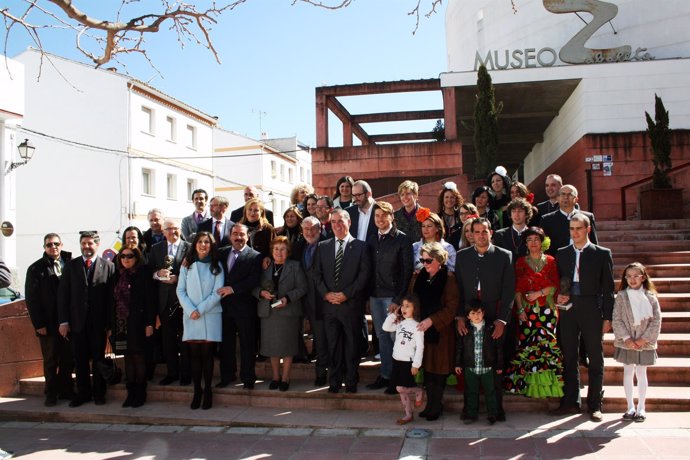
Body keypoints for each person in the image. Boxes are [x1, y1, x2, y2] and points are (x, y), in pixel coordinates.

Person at [551, 213, 614, 422]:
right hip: (568, 309)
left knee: (595, 357)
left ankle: (595, 404)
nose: (574, 232)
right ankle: (570, 401)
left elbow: (608, 289)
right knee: (569, 355)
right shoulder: (562, 253)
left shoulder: (602, 254)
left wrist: (608, 317)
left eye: (578, 228)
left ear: (587, 230)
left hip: (591, 309)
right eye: (571, 228)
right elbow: (558, 281)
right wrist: (558, 296)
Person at [455, 217, 514, 421]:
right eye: (476, 231)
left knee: (493, 362)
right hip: (470, 315)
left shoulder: (504, 256)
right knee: (471, 362)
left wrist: (502, 320)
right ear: (471, 234)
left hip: (494, 313)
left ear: (491, 233)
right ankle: (469, 410)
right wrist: (460, 316)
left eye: (484, 231)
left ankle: (496, 410)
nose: (480, 235)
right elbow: (459, 290)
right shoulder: (462, 256)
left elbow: (508, 291)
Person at [313, 209, 371, 393]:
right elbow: (317, 275)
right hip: (329, 306)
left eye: (341, 221)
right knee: (333, 345)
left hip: (351, 305)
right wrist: (326, 294)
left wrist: (347, 294)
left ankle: (351, 381)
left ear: (349, 223)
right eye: (334, 222)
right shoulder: (323, 246)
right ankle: (335, 381)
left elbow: (364, 275)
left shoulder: (361, 247)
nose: (337, 225)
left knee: (352, 345)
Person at [503, 227, 563, 399]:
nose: (533, 243)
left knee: (546, 344)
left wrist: (539, 293)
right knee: (527, 345)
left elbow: (555, 285)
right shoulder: (521, 262)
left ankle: (547, 386)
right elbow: (516, 288)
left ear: (542, 241)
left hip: (547, 310)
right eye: (529, 239)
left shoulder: (551, 261)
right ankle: (528, 384)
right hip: (527, 312)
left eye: (536, 239)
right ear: (526, 243)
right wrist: (520, 308)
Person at [58, 231, 116, 407]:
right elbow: (63, 295)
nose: (86, 246)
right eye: (83, 243)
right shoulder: (71, 266)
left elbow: (110, 299)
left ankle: (99, 394)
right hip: (77, 323)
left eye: (90, 243)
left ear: (97, 245)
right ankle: (83, 394)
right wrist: (64, 322)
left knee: (99, 359)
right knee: (80, 360)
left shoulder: (108, 266)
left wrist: (110, 325)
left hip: (98, 324)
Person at [366, 201, 414, 395]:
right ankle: (386, 375)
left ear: (392, 217)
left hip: (393, 297)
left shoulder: (402, 240)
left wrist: (398, 298)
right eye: (377, 216)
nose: (380, 219)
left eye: (384, 215)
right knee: (382, 336)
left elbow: (407, 271)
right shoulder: (371, 240)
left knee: (396, 338)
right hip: (375, 296)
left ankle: (399, 378)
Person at [25, 233, 75, 406]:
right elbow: (32, 299)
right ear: (44, 247)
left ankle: (66, 389)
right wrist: (39, 324)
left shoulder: (71, 263)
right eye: (49, 245)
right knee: (51, 359)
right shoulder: (35, 269)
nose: (53, 247)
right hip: (48, 322)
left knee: (68, 358)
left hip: (69, 321)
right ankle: (51, 392)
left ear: (61, 245)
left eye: (56, 244)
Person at [411, 242, 459, 421]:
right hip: (421, 330)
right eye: (422, 260)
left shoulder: (449, 278)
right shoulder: (418, 277)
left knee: (438, 370)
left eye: (428, 260)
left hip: (441, 332)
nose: (425, 264)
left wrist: (432, 320)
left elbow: (452, 307)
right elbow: (412, 299)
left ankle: (436, 406)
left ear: (439, 260)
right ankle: (431, 405)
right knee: (428, 370)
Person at [176, 231, 224, 410]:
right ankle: (197, 390)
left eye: (206, 242)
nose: (203, 245)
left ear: (211, 246)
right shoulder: (187, 265)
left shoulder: (216, 265)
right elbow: (180, 290)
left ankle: (208, 390)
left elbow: (217, 292)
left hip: (209, 315)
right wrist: (191, 310)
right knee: (194, 355)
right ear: (194, 244)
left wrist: (200, 310)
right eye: (200, 242)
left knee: (208, 356)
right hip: (191, 316)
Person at [254, 236, 308, 392]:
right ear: (271, 251)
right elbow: (253, 286)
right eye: (276, 249)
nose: (279, 252)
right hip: (269, 312)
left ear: (288, 251)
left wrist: (288, 298)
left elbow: (303, 288)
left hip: (288, 311)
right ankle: (275, 377)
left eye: (283, 249)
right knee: (272, 346)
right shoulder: (265, 266)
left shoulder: (295, 266)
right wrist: (261, 292)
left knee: (288, 346)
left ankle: (285, 378)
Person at [612, 262, 662, 423]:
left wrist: (644, 339)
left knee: (641, 373)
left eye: (636, 276)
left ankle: (641, 407)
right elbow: (617, 318)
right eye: (629, 276)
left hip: (644, 342)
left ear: (643, 277)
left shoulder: (650, 297)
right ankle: (630, 406)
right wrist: (626, 338)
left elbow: (656, 320)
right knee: (628, 372)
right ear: (625, 278)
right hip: (627, 341)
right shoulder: (621, 296)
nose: (632, 280)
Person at [216, 223, 263, 389]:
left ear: (247, 236)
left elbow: (254, 280)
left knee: (247, 344)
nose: (238, 237)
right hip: (223, 308)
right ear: (230, 236)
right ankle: (227, 376)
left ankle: (248, 378)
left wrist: (233, 289)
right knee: (226, 345)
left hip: (245, 308)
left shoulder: (256, 256)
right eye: (235, 234)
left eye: (242, 234)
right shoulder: (221, 253)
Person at [111, 245, 155, 408]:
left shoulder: (143, 272)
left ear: (136, 257)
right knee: (127, 357)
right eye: (123, 257)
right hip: (122, 324)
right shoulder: (118, 275)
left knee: (139, 356)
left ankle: (140, 392)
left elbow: (150, 299)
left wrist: (150, 323)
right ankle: (130, 392)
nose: (126, 259)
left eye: (130, 256)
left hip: (140, 322)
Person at [150, 218, 191, 386]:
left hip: (184, 301)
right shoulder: (156, 248)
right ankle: (172, 373)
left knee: (185, 339)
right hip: (165, 301)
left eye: (175, 229)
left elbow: (194, 271)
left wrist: (178, 278)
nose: (172, 232)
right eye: (168, 229)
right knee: (168, 340)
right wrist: (158, 274)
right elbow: (150, 271)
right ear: (163, 231)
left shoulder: (189, 248)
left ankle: (186, 374)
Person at [291, 216, 330, 385]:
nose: (310, 232)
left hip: (322, 300)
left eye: (313, 228)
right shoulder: (299, 246)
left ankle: (321, 373)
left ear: (320, 228)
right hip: (302, 299)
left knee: (321, 340)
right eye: (306, 229)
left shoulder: (328, 245)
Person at [455, 300, 503, 425]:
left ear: (483, 313)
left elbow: (498, 347)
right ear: (468, 316)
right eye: (473, 313)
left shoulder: (490, 327)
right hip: (471, 367)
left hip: (487, 367)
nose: (477, 315)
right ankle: (471, 414)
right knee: (471, 391)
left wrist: (499, 365)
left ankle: (493, 414)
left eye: (479, 312)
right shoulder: (465, 329)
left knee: (490, 392)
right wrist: (458, 363)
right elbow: (459, 347)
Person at [382, 294, 424, 425]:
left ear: (415, 309)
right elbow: (385, 327)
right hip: (397, 360)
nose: (404, 308)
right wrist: (394, 315)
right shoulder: (400, 323)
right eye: (403, 306)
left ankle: (418, 391)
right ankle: (408, 414)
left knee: (400, 388)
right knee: (400, 389)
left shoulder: (418, 326)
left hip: (408, 363)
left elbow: (420, 347)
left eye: (408, 306)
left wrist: (416, 364)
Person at [540, 184, 598, 256]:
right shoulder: (546, 219)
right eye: (563, 194)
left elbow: (594, 243)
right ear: (558, 198)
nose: (566, 197)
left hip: (583, 260)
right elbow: (544, 246)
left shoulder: (588, 217)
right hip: (557, 262)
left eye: (570, 194)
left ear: (576, 199)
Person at [412, 208, 456, 273]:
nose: (425, 229)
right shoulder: (414, 247)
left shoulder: (448, 248)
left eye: (429, 226)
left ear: (437, 228)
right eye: (423, 226)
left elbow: (453, 269)